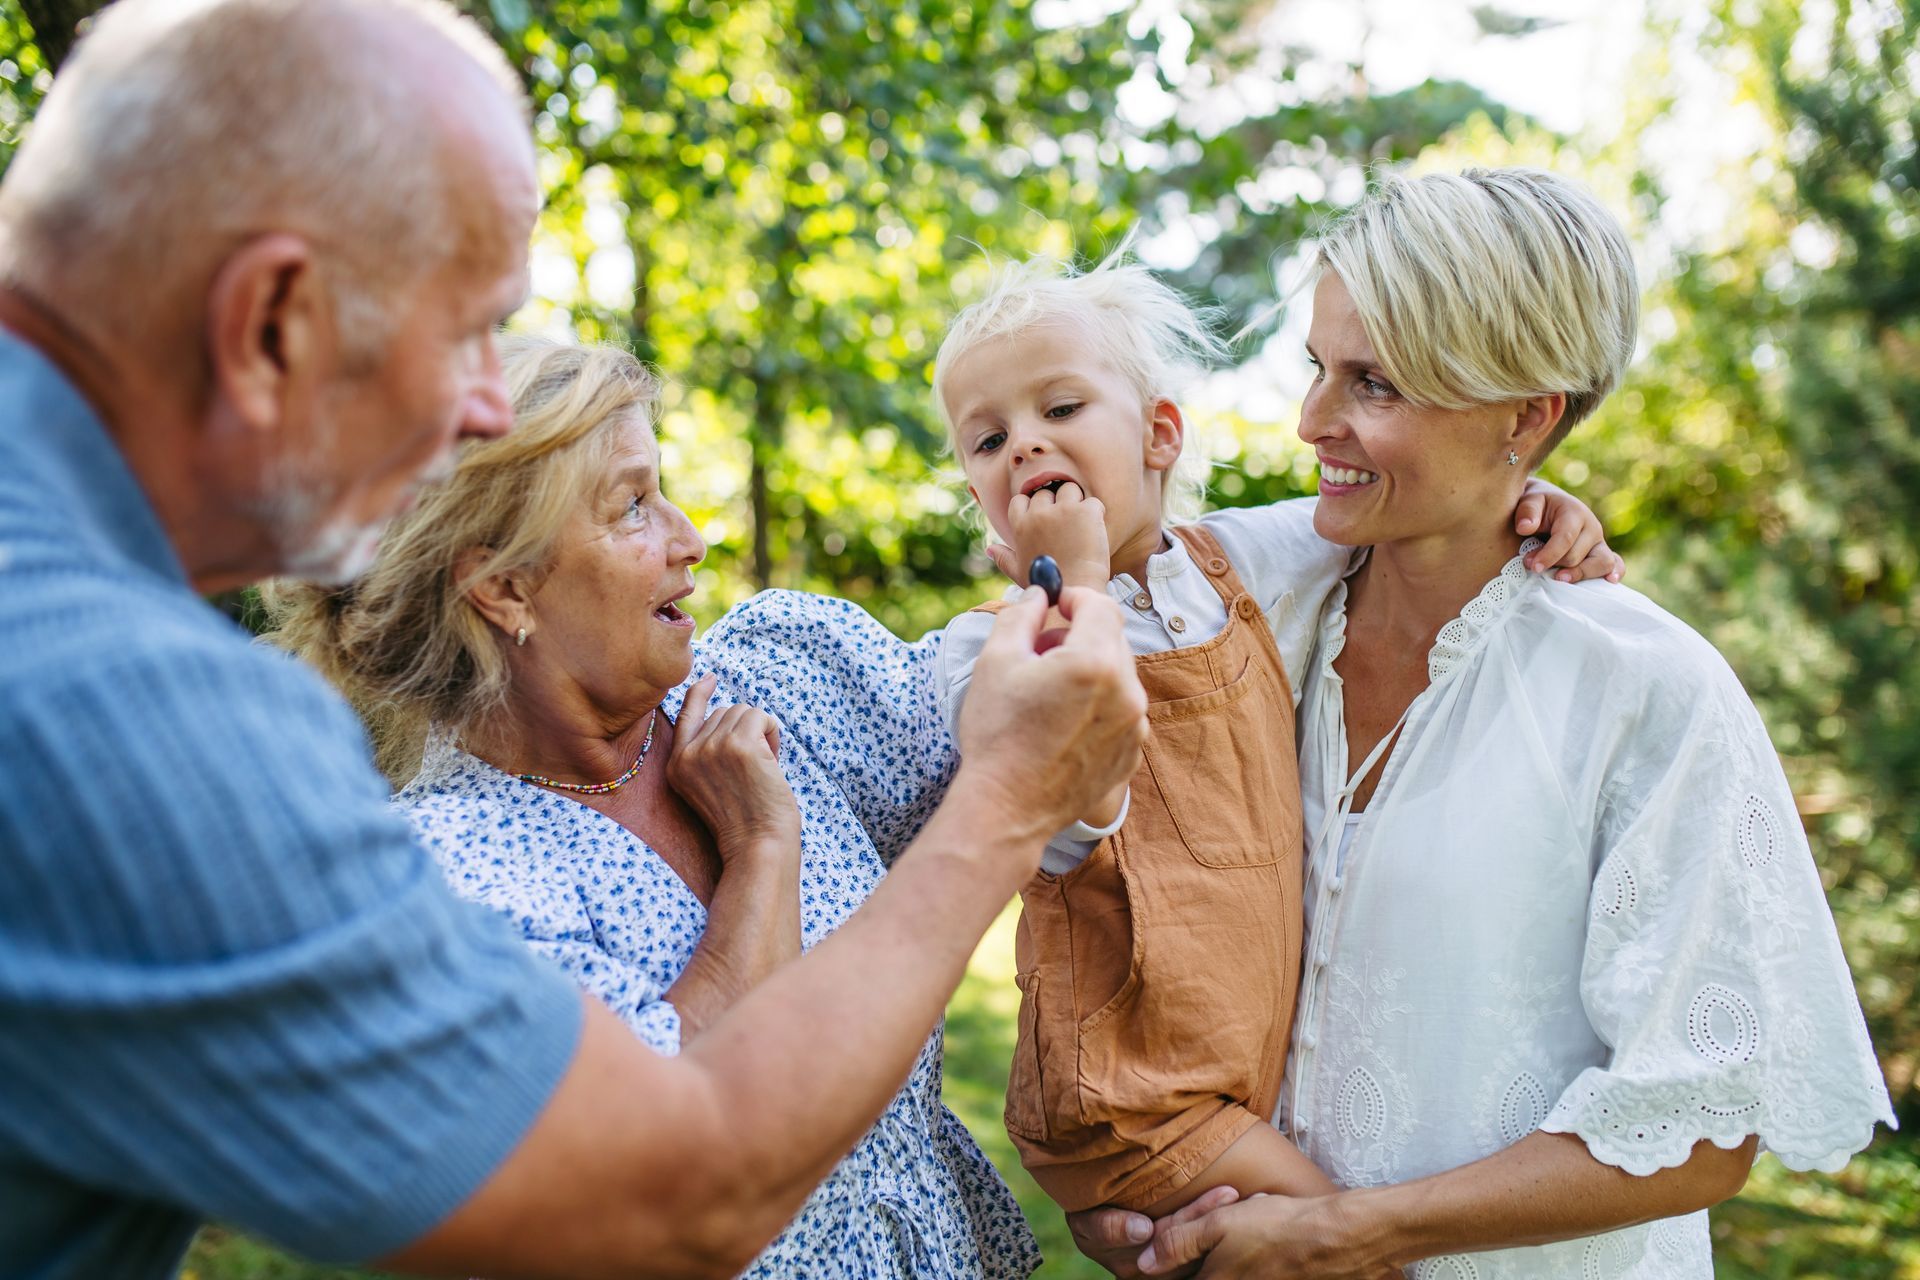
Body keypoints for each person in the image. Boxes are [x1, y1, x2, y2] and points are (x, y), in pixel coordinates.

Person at [0, 3, 1146, 1278]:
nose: (484, 403)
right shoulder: (123, 720)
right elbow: (660, 1203)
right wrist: (999, 802)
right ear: (274, 313)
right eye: (470, 328)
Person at [1064, 168, 1896, 1278]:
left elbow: (1702, 1126)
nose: (1313, 421)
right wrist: (1141, 1194)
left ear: (1528, 414)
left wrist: (1337, 1236)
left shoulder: (1649, 692)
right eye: (1319, 367)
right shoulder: (1245, 604)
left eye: (1375, 384)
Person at [269, 334, 1045, 1276]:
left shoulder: (780, 678)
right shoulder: (440, 895)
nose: (690, 538)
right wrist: (762, 851)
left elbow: (1044, 720)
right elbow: (678, 1143)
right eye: (633, 505)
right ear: (502, 587)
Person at [929, 251, 1623, 1220]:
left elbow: (1419, 509)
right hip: (1132, 1092)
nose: (1025, 447)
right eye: (988, 437)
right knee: (1359, 1248)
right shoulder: (988, 650)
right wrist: (1070, 586)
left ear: (1160, 433)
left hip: (1237, 1069)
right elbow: (1055, 806)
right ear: (976, 490)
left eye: (1061, 408)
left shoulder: (1253, 561)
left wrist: (1538, 509)